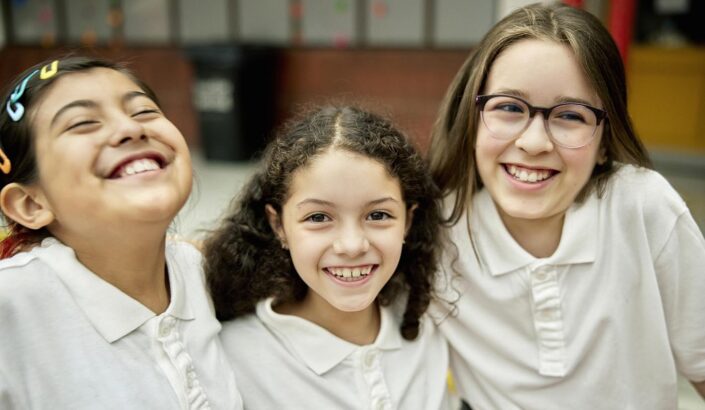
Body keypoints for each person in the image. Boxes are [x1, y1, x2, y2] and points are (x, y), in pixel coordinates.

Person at [427, 3, 705, 409]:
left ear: (605, 140)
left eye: (570, 115)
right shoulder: (434, 230)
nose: (534, 142)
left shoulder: (642, 208)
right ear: (471, 118)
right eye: (508, 107)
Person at [0, 57, 242, 409]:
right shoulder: (12, 308)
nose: (131, 129)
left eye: (143, 112)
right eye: (82, 123)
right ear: (30, 205)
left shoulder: (206, 273)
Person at [204, 106, 450, 409]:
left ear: (407, 223)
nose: (351, 245)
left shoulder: (433, 321)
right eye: (318, 217)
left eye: (378, 214)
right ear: (278, 225)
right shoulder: (233, 356)